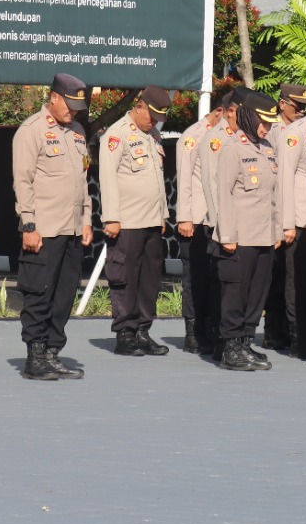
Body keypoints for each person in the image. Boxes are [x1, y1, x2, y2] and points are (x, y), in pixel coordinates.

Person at [12, 72, 95, 380]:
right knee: (39, 294)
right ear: (54, 97)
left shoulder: (76, 131)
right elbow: (23, 182)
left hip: (72, 229)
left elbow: (82, 182)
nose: (73, 111)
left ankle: (52, 352)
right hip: (44, 229)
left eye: (78, 106)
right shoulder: (31, 131)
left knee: (63, 295)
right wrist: (29, 225)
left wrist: (86, 220)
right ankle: (35, 356)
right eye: (69, 104)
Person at [100, 86, 172, 358]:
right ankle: (125, 333)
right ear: (139, 106)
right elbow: (107, 178)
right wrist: (112, 218)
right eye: (151, 115)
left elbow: (157, 179)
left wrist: (163, 214)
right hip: (127, 221)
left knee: (149, 279)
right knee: (125, 278)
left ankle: (143, 330)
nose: (154, 121)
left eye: (158, 118)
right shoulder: (116, 135)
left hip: (152, 220)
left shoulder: (153, 135)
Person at [212, 90, 281, 371]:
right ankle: (230, 347)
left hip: (263, 235)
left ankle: (244, 341)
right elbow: (224, 195)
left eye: (270, 122)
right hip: (240, 236)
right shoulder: (232, 148)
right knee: (236, 294)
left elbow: (273, 195)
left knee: (256, 294)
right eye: (263, 121)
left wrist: (276, 230)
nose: (267, 127)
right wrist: (227, 236)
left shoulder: (266, 148)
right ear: (249, 117)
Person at [176, 93, 233, 354]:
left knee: (213, 279)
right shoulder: (194, 135)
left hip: (217, 219)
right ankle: (193, 332)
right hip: (197, 218)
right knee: (194, 279)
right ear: (220, 111)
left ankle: (210, 327)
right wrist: (184, 217)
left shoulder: (230, 136)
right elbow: (185, 178)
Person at [271, 83, 306, 357]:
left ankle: (294, 331)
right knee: (285, 279)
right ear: (282, 104)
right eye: (296, 105)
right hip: (288, 215)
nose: (301, 110)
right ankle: (284, 331)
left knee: (300, 278)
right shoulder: (281, 131)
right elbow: (282, 180)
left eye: (305, 106)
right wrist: (284, 221)